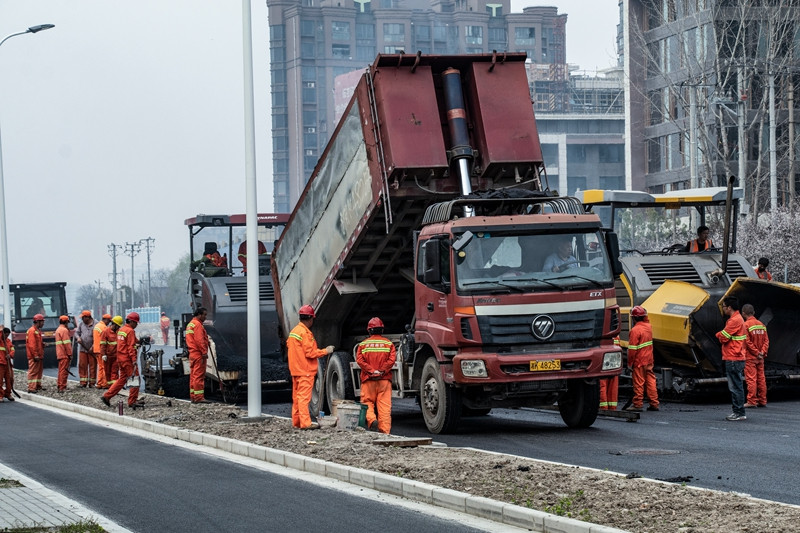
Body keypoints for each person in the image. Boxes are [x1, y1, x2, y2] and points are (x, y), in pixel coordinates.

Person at [287, 304, 333, 430]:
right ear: (310, 319)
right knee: (303, 398)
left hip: (296, 370)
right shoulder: (305, 333)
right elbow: (310, 353)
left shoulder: (294, 331)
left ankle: (297, 422)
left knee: (297, 398)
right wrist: (325, 351)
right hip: (305, 371)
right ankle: (305, 423)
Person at [356, 317, 396, 434]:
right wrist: (382, 371)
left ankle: (372, 420)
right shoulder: (389, 344)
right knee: (384, 408)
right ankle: (385, 433)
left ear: (369, 331)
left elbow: (360, 361)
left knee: (367, 402)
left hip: (368, 380)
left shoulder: (363, 345)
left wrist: (372, 371)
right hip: (384, 380)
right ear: (382, 330)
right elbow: (391, 360)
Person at [716, 296, 747, 421]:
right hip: (737, 356)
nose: (723, 309)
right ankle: (739, 411)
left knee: (735, 387)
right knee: (737, 385)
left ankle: (738, 412)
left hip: (733, 357)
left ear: (729, 307)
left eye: (723, 306)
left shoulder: (734, 321)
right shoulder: (738, 319)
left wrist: (718, 334)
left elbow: (723, 337)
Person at [102, 312, 142, 408]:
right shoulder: (130, 331)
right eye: (136, 323)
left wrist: (140, 341)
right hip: (128, 360)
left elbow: (130, 342)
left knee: (122, 380)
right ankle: (132, 401)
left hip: (120, 359)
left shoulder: (122, 330)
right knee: (135, 379)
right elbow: (131, 347)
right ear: (132, 322)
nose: (136, 325)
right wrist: (134, 360)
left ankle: (107, 396)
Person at [625, 306, 659, 412]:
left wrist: (630, 363)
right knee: (650, 381)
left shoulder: (635, 330)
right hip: (649, 359)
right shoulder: (648, 327)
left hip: (639, 361)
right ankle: (654, 403)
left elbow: (632, 350)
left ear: (633, 318)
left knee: (639, 382)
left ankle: (638, 404)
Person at [741, 304, 769, 408]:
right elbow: (766, 341)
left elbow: (747, 342)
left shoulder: (745, 325)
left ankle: (751, 401)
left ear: (743, 313)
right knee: (761, 379)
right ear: (754, 313)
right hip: (760, 357)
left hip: (751, 357)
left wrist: (756, 352)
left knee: (751, 379)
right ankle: (762, 400)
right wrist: (762, 352)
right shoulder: (761, 324)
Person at [185, 307, 210, 403]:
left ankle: (193, 396)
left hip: (192, 353)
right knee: (199, 376)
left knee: (193, 375)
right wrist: (204, 352)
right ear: (199, 315)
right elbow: (199, 340)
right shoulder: (198, 325)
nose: (205, 317)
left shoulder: (190, 324)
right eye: (204, 315)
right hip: (198, 354)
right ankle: (199, 397)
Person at [75, 310, 97, 388]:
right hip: (83, 349)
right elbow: (76, 333)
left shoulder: (96, 324)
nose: (82, 319)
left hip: (92, 350)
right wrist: (78, 338)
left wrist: (93, 346)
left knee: (92, 366)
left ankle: (92, 383)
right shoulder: (81, 324)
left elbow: (98, 337)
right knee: (82, 365)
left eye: (83, 318)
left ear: (88, 317)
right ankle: (83, 382)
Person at [100, 316, 123, 388]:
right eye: (118, 326)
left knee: (115, 371)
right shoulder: (105, 331)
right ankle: (110, 386)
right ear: (114, 324)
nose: (118, 327)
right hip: (108, 356)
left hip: (116, 356)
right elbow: (102, 344)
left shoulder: (119, 332)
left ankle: (114, 386)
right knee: (107, 372)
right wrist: (103, 354)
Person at [599, 336, 620, 410]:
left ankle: (603, 406)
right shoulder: (616, 336)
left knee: (602, 385)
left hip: (604, 364)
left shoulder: (602, 335)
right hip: (614, 364)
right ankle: (612, 407)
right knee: (613, 387)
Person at [26, 314, 45, 393]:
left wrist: (42, 345)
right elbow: (32, 345)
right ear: (37, 322)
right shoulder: (32, 331)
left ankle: (37, 385)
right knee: (33, 371)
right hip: (34, 356)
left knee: (38, 371)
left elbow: (37, 343)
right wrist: (35, 355)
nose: (43, 323)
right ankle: (31, 387)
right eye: (42, 322)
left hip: (39, 355)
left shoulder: (37, 331)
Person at [93, 314, 111, 388]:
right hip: (101, 350)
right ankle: (104, 383)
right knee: (104, 367)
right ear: (105, 320)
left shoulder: (97, 326)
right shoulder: (103, 327)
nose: (109, 323)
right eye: (109, 321)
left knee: (100, 367)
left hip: (96, 349)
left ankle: (99, 383)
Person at [55, 316, 72, 392]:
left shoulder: (58, 329)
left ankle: (59, 385)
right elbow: (67, 344)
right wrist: (70, 354)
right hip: (64, 354)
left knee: (61, 370)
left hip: (60, 353)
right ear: (66, 322)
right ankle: (62, 387)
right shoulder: (64, 330)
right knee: (64, 371)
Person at [0, 327, 15, 401]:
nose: (6, 337)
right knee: (0, 381)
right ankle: (0, 395)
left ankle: (8, 393)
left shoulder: (8, 341)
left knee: (10, 379)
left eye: (7, 335)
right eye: (5, 335)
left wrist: (10, 355)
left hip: (8, 364)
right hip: (1, 364)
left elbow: (12, 349)